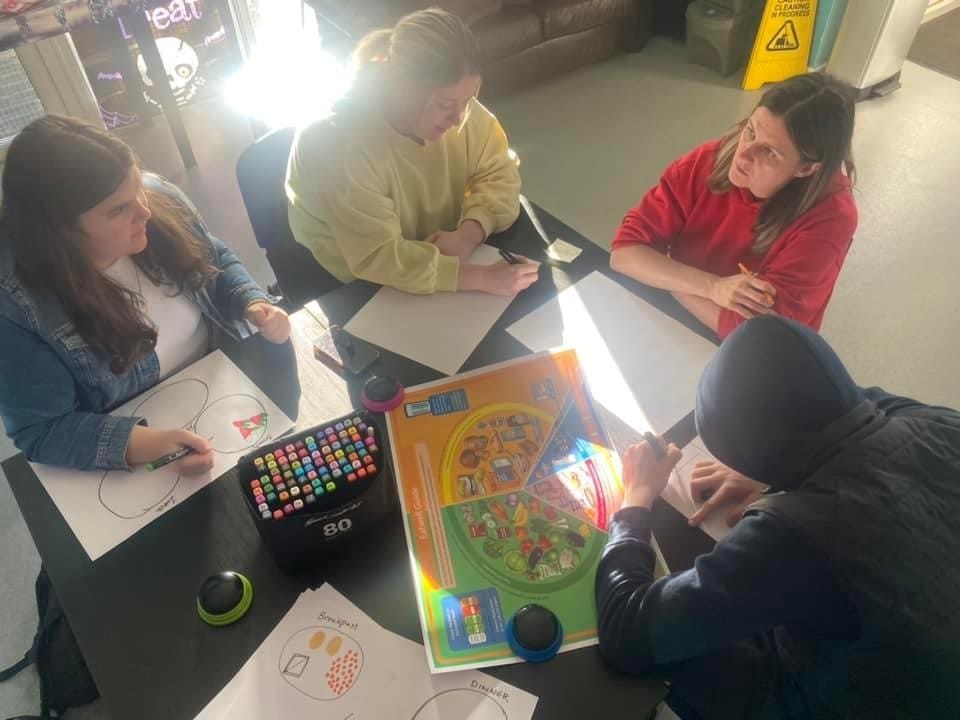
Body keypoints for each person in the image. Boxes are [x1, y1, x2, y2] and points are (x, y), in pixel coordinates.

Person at [595, 316, 960, 719]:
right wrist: (773, 466)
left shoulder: (794, 533)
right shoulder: (939, 422)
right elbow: (858, 402)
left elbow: (625, 631)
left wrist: (636, 497)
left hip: (854, 702)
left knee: (672, 654)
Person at [0, 116, 296, 474]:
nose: (145, 210)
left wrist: (252, 302)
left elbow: (213, 258)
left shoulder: (158, 198)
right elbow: (43, 431)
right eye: (118, 210)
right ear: (60, 230)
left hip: (226, 385)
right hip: (141, 438)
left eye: (138, 189)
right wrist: (145, 445)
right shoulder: (15, 300)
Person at [286, 8, 537, 296]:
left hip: (433, 252)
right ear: (402, 88)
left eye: (468, 100)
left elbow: (500, 173)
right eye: (445, 104)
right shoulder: (335, 141)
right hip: (353, 278)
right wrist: (480, 278)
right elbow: (377, 256)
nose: (459, 118)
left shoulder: (459, 110)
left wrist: (470, 233)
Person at [610, 73, 858, 339]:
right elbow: (624, 253)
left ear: (806, 168)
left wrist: (668, 275)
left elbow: (758, 333)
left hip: (751, 350)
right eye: (750, 131)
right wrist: (712, 287)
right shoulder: (706, 161)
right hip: (679, 320)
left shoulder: (831, 219)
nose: (744, 154)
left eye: (769, 152)